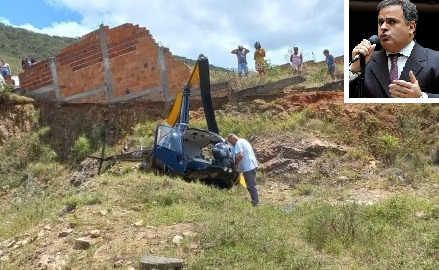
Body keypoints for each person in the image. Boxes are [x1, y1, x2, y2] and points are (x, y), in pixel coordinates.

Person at [349, 0, 439, 98]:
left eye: (392, 21)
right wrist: (354, 70)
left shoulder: (435, 60)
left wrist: (421, 98)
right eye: (380, 22)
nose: (383, 27)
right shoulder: (365, 61)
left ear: (411, 27)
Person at [227, 133, 259, 207]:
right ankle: (254, 201)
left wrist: (235, 164)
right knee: (249, 185)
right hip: (253, 165)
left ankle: (256, 204)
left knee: (251, 186)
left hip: (248, 167)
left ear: (232, 139)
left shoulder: (238, 143)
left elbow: (241, 155)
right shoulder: (244, 141)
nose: (231, 144)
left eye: (231, 142)